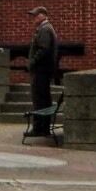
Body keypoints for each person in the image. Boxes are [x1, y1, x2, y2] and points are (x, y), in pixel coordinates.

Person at [26, 7, 59, 136]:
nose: (33, 18)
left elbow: (43, 50)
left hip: (41, 71)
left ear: (42, 16)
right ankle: (42, 127)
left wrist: (32, 62)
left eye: (35, 16)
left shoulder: (45, 30)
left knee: (39, 100)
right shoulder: (46, 29)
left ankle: (39, 128)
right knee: (43, 99)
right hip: (44, 71)